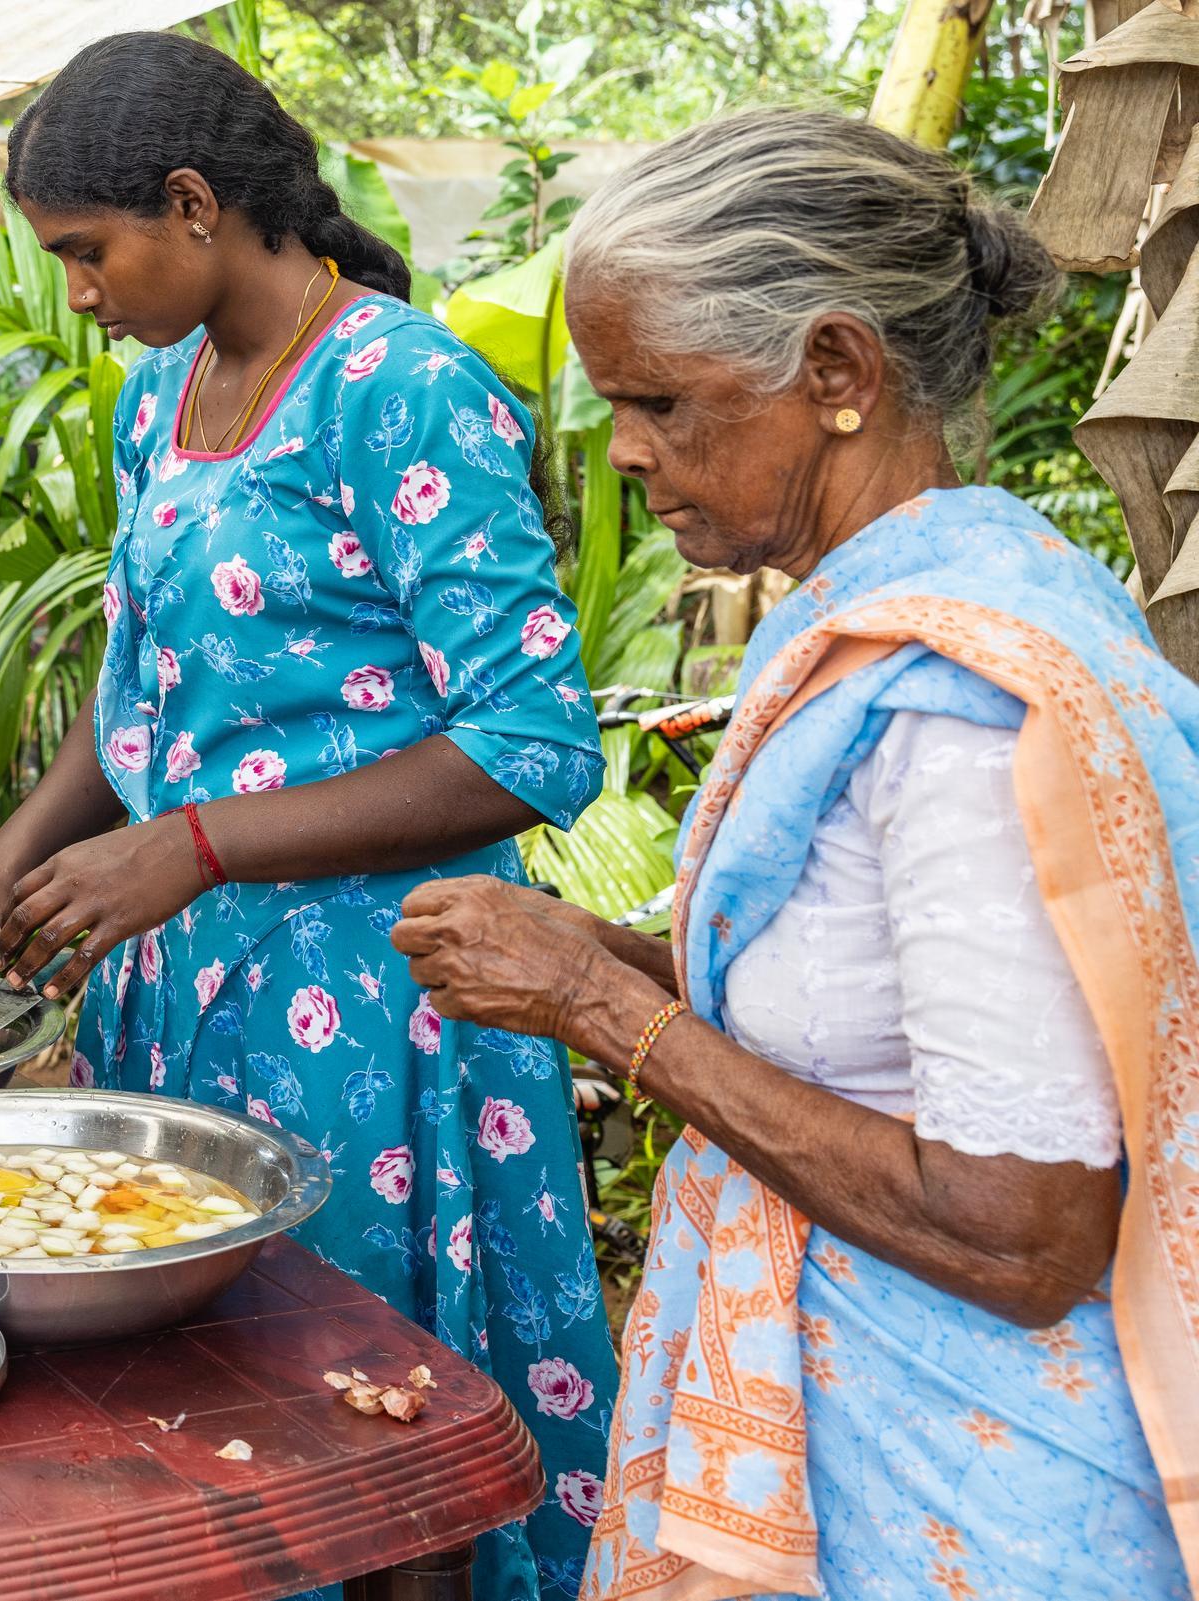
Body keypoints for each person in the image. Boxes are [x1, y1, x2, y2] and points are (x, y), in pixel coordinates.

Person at [393, 108, 1199, 1601]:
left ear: (836, 372)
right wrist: (593, 958)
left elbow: (1021, 1232)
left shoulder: (955, 709)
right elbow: (861, 1004)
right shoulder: (897, 614)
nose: (627, 453)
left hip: (961, 1487)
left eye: (660, 403)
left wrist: (601, 1009)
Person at [0, 32, 615, 1601]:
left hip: (386, 1002)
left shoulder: (402, 388)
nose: (73, 288)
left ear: (195, 205)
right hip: (187, 988)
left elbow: (534, 743)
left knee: (379, 1424)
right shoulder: (164, 399)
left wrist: (196, 844)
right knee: (220, 1437)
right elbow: (136, 704)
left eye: (86, 250)